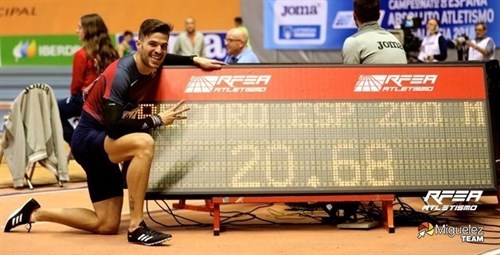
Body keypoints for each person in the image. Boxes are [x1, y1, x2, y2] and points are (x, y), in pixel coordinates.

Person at [4, 19, 225, 246]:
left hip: (105, 144)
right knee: (144, 143)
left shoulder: (151, 61)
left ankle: (35, 213)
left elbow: (162, 58)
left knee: (106, 224)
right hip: (90, 139)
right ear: (139, 44)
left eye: (163, 45)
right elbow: (114, 126)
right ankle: (136, 227)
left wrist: (193, 59)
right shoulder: (122, 74)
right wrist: (157, 120)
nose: (158, 51)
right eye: (152, 44)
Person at [57, 13, 119, 145]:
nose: (76, 31)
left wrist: (76, 98)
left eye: (79, 27)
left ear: (89, 30)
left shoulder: (81, 55)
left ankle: (75, 142)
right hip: (108, 101)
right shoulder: (113, 53)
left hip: (85, 101)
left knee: (52, 109)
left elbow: (76, 86)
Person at [341, 0, 407, 64]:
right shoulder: (395, 40)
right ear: (379, 15)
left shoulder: (353, 42)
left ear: (354, 16)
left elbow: (349, 75)